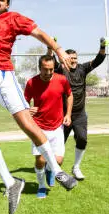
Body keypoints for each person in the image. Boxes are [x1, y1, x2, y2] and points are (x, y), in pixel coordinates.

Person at [0, 0, 78, 214]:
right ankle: (11, 182)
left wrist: (59, 50)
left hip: (2, 76)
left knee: (26, 123)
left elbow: (40, 33)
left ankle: (56, 170)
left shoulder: (14, 19)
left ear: (7, 5)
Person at [47, 38, 106, 180]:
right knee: (59, 143)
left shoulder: (82, 69)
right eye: (71, 58)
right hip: (63, 115)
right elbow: (50, 59)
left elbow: (98, 60)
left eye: (75, 58)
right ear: (66, 59)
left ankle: (76, 167)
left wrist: (102, 46)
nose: (73, 60)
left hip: (79, 114)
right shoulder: (61, 69)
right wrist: (50, 47)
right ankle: (51, 167)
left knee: (82, 139)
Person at [24, 55, 73, 199]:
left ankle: (51, 171)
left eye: (51, 69)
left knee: (58, 161)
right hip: (38, 127)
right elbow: (23, 102)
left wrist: (68, 114)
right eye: (45, 70)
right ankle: (41, 186)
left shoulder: (62, 80)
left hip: (57, 127)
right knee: (40, 160)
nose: (48, 73)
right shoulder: (32, 82)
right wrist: (28, 109)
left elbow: (69, 96)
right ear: (40, 68)